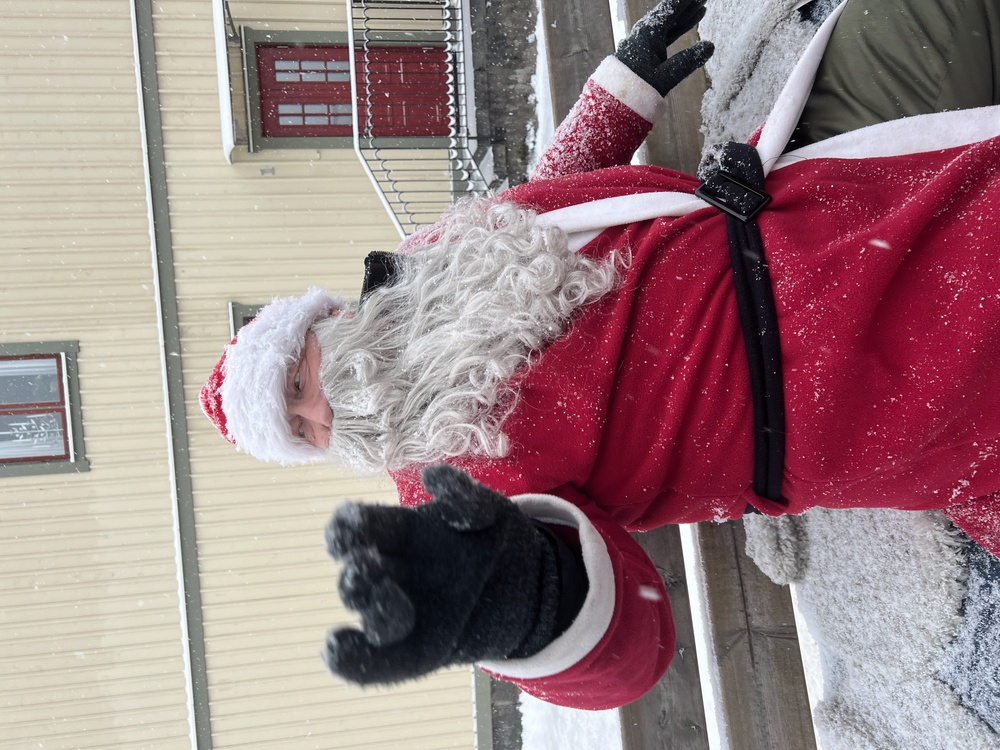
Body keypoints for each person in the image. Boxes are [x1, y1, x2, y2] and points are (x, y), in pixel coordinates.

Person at [200, 0, 1000, 709]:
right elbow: (626, 651)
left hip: (807, 189)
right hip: (848, 372)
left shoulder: (420, 268)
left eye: (298, 380)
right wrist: (528, 602)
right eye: (301, 429)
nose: (322, 411)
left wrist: (617, 94)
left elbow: (530, 223)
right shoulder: (451, 506)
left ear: (325, 321)